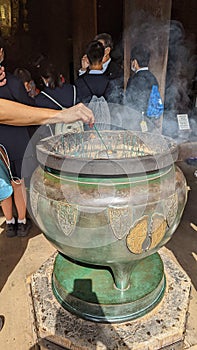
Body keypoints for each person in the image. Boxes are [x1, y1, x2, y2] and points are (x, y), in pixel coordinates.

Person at [75, 40, 112, 130]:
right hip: (106, 129)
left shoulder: (80, 82)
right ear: (103, 57)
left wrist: (82, 71)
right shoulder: (110, 81)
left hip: (87, 128)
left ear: (87, 59)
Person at [79, 33, 124, 103]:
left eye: (100, 47)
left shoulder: (117, 70)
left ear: (108, 50)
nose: (96, 50)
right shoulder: (88, 67)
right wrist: (83, 70)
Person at [125, 45, 161, 130]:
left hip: (136, 122)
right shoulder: (153, 78)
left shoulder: (134, 79)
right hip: (151, 122)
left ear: (135, 62)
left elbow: (129, 102)